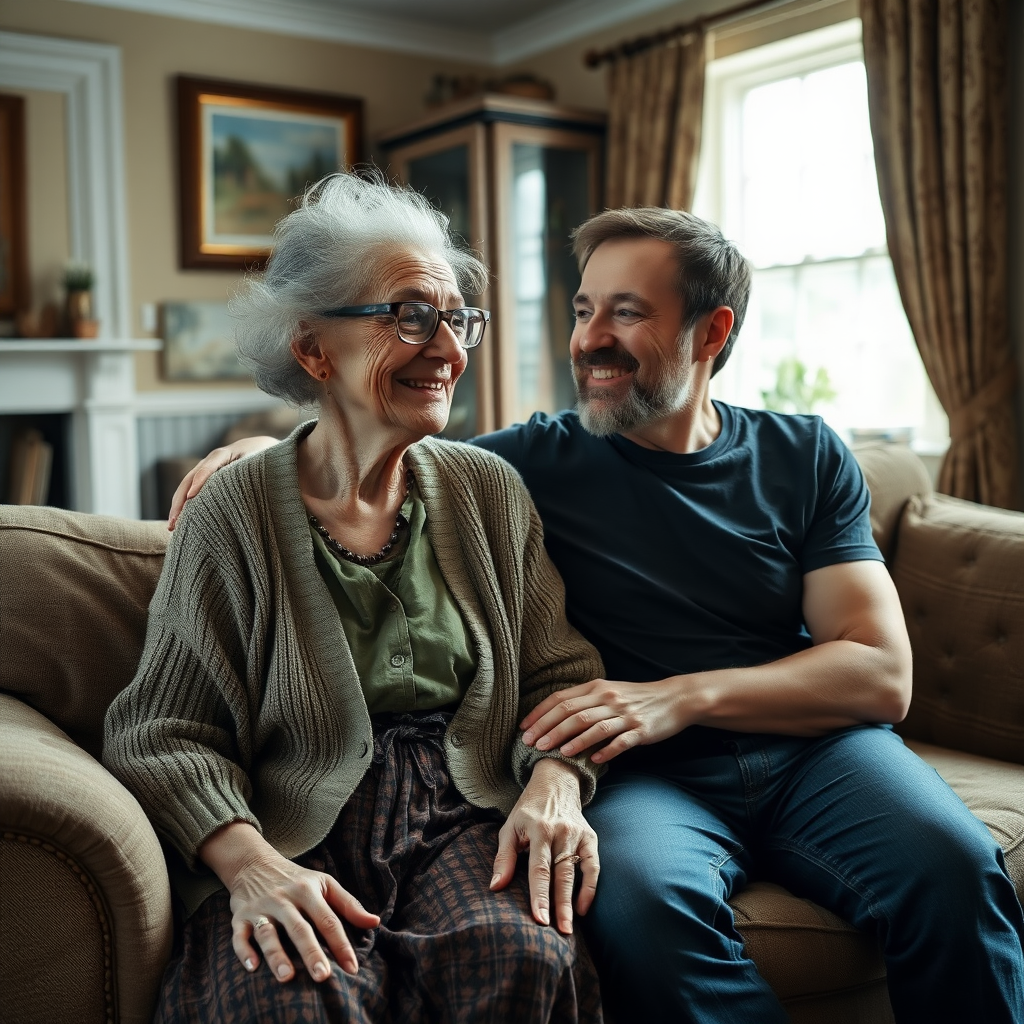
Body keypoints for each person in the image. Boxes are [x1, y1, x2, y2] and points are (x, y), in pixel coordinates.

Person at [175, 205, 1024, 1024]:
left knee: (955, 866)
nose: (589, 340)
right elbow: (380, 447)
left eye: (626, 313)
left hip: (817, 753)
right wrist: (259, 450)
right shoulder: (527, 463)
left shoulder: (805, 455)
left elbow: (880, 673)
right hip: (640, 776)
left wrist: (679, 696)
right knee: (646, 914)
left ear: (712, 332)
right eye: (583, 310)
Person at [104, 172, 607, 1024]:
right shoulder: (233, 512)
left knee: (520, 957)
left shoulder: (488, 490)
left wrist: (556, 778)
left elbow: (559, 672)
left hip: (464, 815)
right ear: (314, 350)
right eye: (411, 316)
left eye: (458, 318)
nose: (447, 348)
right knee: (294, 993)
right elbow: (161, 731)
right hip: (298, 823)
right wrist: (251, 866)